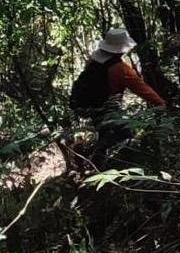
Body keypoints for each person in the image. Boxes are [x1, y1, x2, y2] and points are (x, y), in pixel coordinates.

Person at [69, 27, 165, 165]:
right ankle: (98, 160)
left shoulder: (95, 59)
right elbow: (142, 89)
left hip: (85, 106)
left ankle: (93, 159)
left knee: (105, 131)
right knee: (125, 132)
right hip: (105, 108)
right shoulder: (120, 69)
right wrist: (160, 103)